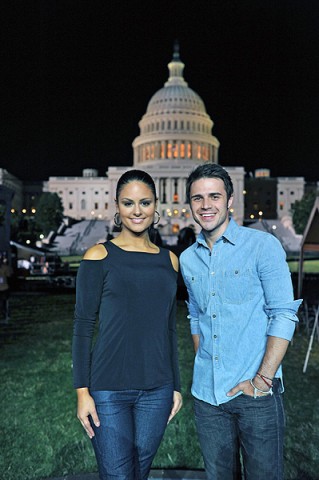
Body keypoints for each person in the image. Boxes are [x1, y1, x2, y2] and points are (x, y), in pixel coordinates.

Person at [179, 163, 302, 480]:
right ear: (189, 203)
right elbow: (195, 313)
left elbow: (284, 314)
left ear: (229, 200)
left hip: (255, 396)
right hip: (208, 398)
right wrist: (205, 360)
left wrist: (262, 380)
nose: (206, 205)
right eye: (198, 198)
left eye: (214, 196)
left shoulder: (262, 246)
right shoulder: (188, 259)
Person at [72, 169, 182, 480]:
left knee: (139, 472)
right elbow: (82, 327)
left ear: (155, 205)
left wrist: (174, 385)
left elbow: (169, 328)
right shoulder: (98, 256)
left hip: (157, 389)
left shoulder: (169, 261)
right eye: (128, 203)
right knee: (118, 475)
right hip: (108, 389)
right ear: (117, 207)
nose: (137, 211)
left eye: (144, 203)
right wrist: (82, 392)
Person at [0, 256, 13, 323]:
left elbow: (9, 275)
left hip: (4, 288)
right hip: (4, 288)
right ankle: (6, 316)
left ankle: (6, 316)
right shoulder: (5, 267)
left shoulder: (5, 267)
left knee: (4, 303)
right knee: (3, 303)